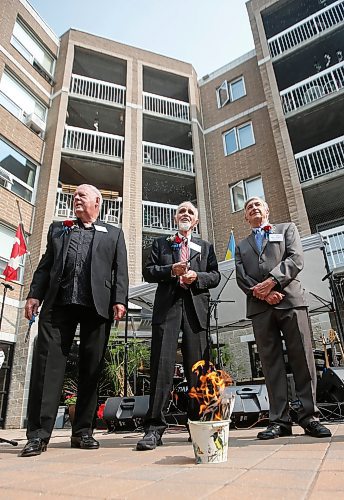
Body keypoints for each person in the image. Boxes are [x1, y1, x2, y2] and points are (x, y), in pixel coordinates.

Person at [20, 184, 128, 457]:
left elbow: (121, 271)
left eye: (82, 195)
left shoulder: (113, 233)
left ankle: (82, 431)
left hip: (96, 306)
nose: (76, 198)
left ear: (97, 202)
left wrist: (119, 300)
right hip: (58, 305)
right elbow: (45, 265)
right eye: (74, 196)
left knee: (91, 368)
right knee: (47, 367)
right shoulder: (59, 228)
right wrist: (34, 295)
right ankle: (38, 435)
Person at [235, 196, 331, 440]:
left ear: (267, 210)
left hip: (291, 302)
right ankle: (279, 420)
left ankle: (309, 416)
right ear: (246, 217)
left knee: (303, 358)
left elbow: (295, 258)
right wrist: (264, 295)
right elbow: (241, 276)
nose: (254, 208)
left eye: (258, 205)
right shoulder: (241, 245)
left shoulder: (287, 229)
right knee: (271, 364)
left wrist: (272, 282)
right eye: (249, 207)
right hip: (260, 308)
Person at [136, 201, 221, 451]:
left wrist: (198, 277)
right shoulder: (161, 244)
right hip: (168, 307)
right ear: (175, 218)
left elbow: (215, 275)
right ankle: (154, 428)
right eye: (181, 211)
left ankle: (198, 424)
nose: (185, 214)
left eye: (190, 212)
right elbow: (149, 271)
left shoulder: (205, 247)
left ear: (196, 221)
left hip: (196, 309)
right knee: (161, 365)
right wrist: (170, 270)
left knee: (197, 367)